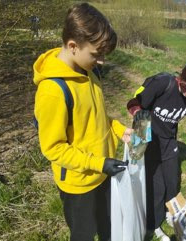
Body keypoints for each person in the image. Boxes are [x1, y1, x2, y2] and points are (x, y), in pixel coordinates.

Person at [33, 3, 132, 241]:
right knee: (84, 234)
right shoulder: (53, 91)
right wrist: (99, 163)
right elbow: (53, 148)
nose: (102, 62)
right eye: (96, 54)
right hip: (78, 184)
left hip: (101, 172)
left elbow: (95, 117)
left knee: (109, 226)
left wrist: (119, 130)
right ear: (73, 46)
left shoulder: (89, 72)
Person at [127, 60, 186, 240]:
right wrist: (138, 115)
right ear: (180, 78)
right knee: (156, 186)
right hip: (145, 136)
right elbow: (133, 102)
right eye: (185, 86)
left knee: (172, 183)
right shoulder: (162, 83)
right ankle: (154, 225)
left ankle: (168, 211)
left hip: (168, 140)